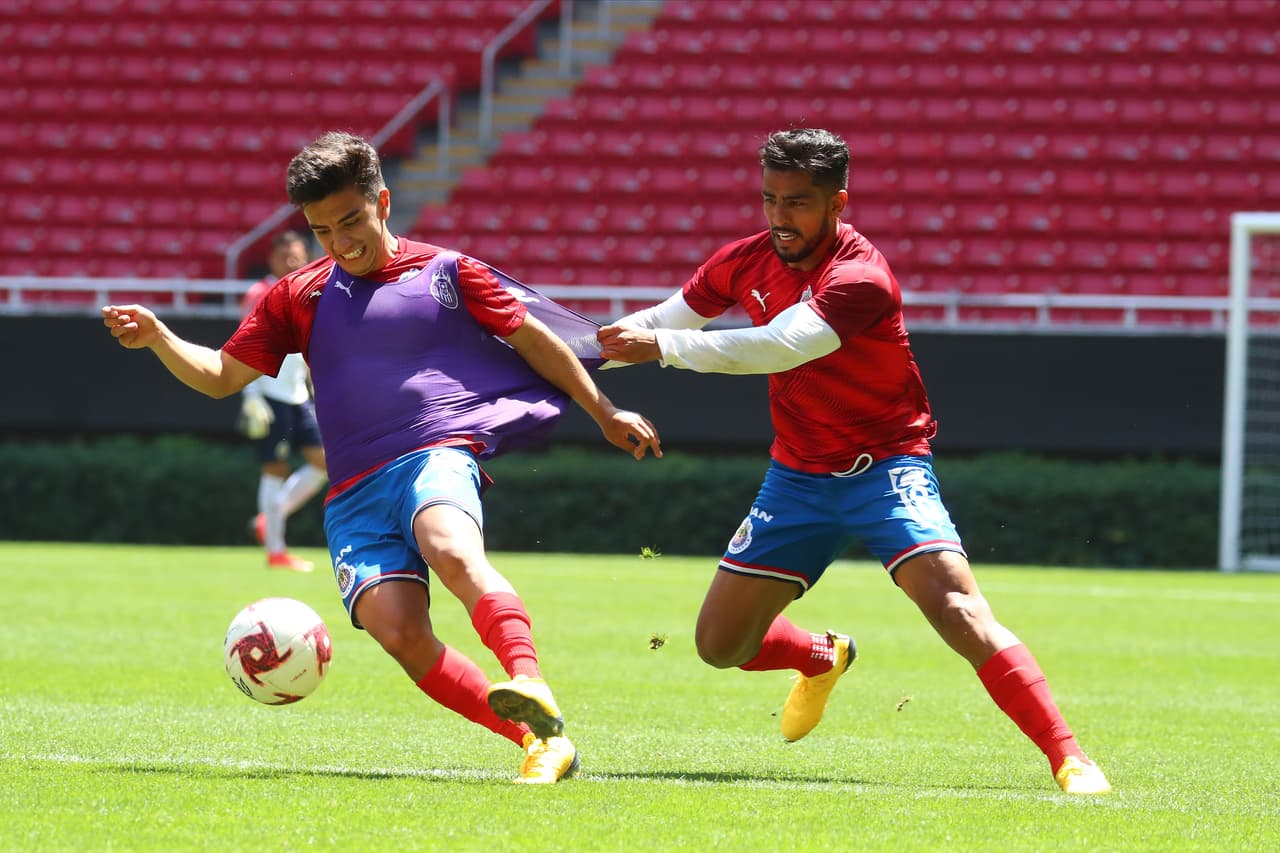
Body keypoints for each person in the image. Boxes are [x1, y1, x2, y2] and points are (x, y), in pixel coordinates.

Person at [103, 130, 662, 784]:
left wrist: (604, 409)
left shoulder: (450, 272)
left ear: (383, 202)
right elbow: (223, 374)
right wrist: (160, 337)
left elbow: (536, 340)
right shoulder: (297, 295)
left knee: (449, 546)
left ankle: (530, 680)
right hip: (353, 496)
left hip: (434, 453)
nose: (340, 242)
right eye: (322, 231)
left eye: (350, 221)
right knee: (398, 631)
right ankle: (540, 741)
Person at [596, 128, 1110, 795]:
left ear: (838, 203)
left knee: (957, 607)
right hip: (798, 475)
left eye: (799, 203)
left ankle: (1070, 757)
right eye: (770, 199)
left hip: (886, 467)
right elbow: (659, 321)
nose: (781, 217)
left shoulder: (860, 276)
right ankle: (823, 654)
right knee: (720, 644)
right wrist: (559, 356)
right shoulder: (743, 259)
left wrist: (661, 347)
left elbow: (781, 345)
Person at [238, 230, 327, 573]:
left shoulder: (308, 294)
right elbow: (242, 342)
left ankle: (269, 518)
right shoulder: (259, 293)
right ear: (272, 258)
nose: (293, 261)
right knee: (275, 469)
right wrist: (249, 394)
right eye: (286, 256)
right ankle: (276, 550)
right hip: (268, 393)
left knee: (325, 463)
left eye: (298, 255)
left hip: (298, 395)